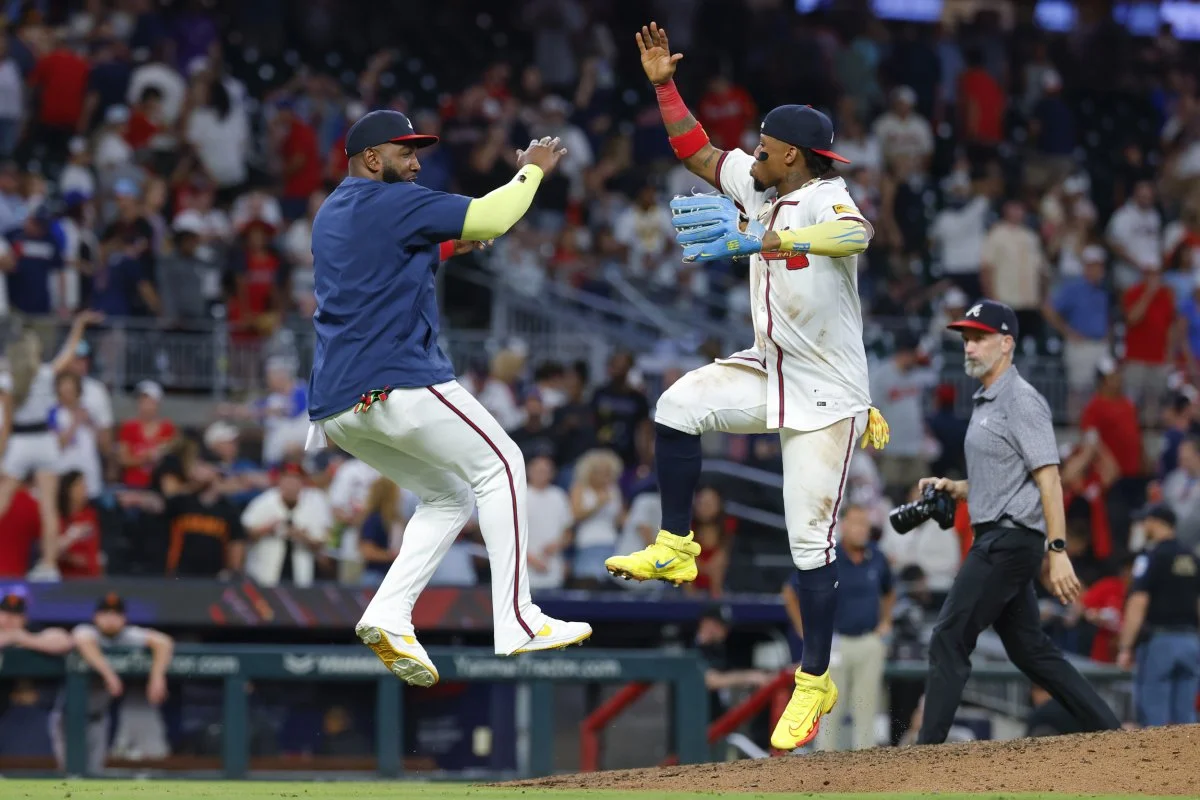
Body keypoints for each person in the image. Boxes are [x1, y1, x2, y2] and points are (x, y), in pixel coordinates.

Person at [603, 22, 889, 752]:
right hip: (770, 367)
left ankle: (814, 680)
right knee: (675, 405)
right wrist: (665, 86)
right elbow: (695, 151)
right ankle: (676, 543)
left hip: (827, 394)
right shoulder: (762, 184)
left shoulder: (826, 196)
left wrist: (770, 239)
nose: (751, 156)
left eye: (763, 148)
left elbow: (858, 236)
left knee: (808, 541)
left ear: (791, 155)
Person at [303, 107, 590, 686]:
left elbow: (386, 262)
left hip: (337, 406)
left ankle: (388, 613)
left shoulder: (332, 212)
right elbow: (493, 216)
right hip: (395, 380)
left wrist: (447, 248)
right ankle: (518, 620)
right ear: (370, 158)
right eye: (405, 152)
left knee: (449, 497)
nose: (415, 163)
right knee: (504, 465)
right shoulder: (392, 201)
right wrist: (532, 169)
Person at [915, 299, 1121, 744]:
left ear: (1006, 343)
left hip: (1007, 543)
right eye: (966, 338)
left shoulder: (1021, 399)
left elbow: (1049, 480)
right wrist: (957, 487)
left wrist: (1058, 551)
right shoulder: (987, 400)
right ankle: (1112, 732)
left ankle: (924, 753)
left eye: (979, 337)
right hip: (1000, 536)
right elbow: (1007, 479)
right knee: (1031, 651)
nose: (969, 346)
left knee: (949, 636)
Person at [0, 311, 103, 580]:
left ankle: (47, 564)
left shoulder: (8, 381)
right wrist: (78, 325)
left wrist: (1, 453)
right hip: (46, 442)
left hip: (20, 441)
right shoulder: (46, 374)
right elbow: (68, 353)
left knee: (3, 498)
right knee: (48, 506)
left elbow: (7, 423)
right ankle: (48, 565)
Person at [53, 593, 174, 775]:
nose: (110, 619)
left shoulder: (127, 635)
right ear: (96, 617)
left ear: (124, 618)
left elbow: (164, 642)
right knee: (69, 772)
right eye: (105, 613)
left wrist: (157, 677)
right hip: (69, 716)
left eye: (116, 614)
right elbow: (83, 641)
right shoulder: (87, 631)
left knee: (95, 772)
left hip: (100, 717)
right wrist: (109, 675)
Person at [809, 504, 894, 752]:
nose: (861, 529)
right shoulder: (828, 558)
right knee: (829, 710)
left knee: (867, 709)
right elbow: (792, 592)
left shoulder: (877, 557)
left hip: (868, 641)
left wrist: (886, 620)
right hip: (835, 642)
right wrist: (807, 632)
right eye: (856, 523)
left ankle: (865, 767)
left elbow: (890, 591)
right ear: (843, 526)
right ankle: (823, 762)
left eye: (865, 524)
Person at [1116, 505, 1200, 726]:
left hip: (1160, 643)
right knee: (1186, 721)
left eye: (1145, 522)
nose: (1142, 527)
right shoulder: (1192, 557)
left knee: (1154, 719)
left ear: (1154, 522)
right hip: (1191, 642)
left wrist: (1126, 646)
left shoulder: (1151, 556)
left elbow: (1138, 602)